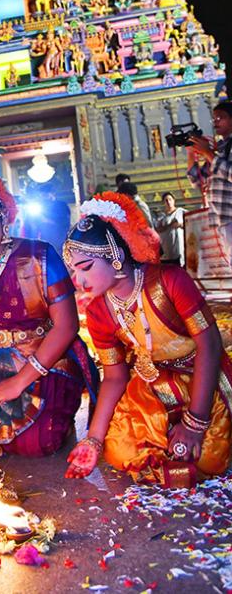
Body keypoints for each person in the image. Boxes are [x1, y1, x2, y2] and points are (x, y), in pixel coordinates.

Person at [63, 192, 232, 488]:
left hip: (201, 375)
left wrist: (194, 423)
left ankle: (176, 456)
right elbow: (115, 378)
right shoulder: (99, 311)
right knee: (118, 451)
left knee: (210, 457)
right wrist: (93, 440)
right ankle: (175, 465)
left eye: (86, 267)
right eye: (74, 270)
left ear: (115, 257)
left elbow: (211, 346)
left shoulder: (170, 281)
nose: (79, 281)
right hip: (151, 382)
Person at [0, 150, 98, 466]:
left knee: (38, 441)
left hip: (45, 356)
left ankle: (58, 412)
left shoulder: (40, 256)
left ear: (4, 220)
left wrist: (19, 381)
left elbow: (67, 327)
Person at [188, 99, 232, 263]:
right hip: (221, 217)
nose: (216, 122)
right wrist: (192, 154)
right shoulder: (218, 148)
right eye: (214, 118)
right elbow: (197, 181)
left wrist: (208, 153)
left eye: (221, 117)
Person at [154, 192, 186, 265]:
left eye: (170, 199)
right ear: (163, 203)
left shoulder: (181, 212)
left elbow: (190, 223)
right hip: (166, 252)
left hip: (179, 251)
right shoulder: (161, 216)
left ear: (174, 200)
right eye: (166, 200)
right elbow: (157, 230)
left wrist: (180, 224)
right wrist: (169, 225)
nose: (168, 202)